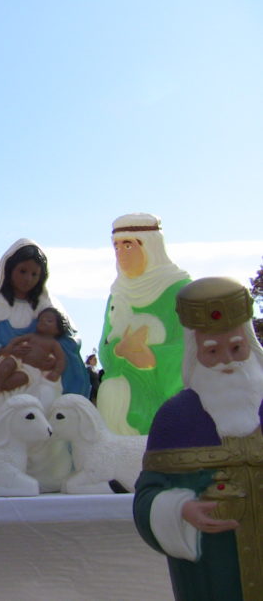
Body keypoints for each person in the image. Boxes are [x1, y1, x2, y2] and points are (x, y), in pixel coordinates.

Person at [133, 277, 263, 600]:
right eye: (213, 351)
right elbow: (147, 495)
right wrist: (180, 509)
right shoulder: (175, 418)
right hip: (212, 574)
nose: (227, 361)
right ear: (196, 352)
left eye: (236, 348)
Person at [0, 239, 89, 442]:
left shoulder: (48, 305)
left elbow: (69, 341)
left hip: (38, 376)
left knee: (45, 399)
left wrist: (51, 359)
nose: (28, 279)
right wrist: (1, 350)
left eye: (34, 274)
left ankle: (39, 458)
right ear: (9, 269)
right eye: (22, 271)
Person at [98, 213, 191, 435]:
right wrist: (118, 350)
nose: (120, 253)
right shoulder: (117, 294)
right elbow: (104, 348)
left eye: (128, 245)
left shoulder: (180, 290)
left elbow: (191, 345)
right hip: (116, 400)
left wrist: (151, 357)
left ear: (150, 246)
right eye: (116, 247)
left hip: (162, 400)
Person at [0, 307, 68, 403]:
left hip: (30, 369)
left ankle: (0, 386)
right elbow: (17, 340)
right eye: (40, 320)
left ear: (57, 329)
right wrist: (10, 347)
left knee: (20, 378)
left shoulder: (54, 344)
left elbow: (61, 359)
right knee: (7, 363)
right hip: (18, 361)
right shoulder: (32, 336)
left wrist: (56, 372)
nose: (43, 322)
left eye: (49, 321)